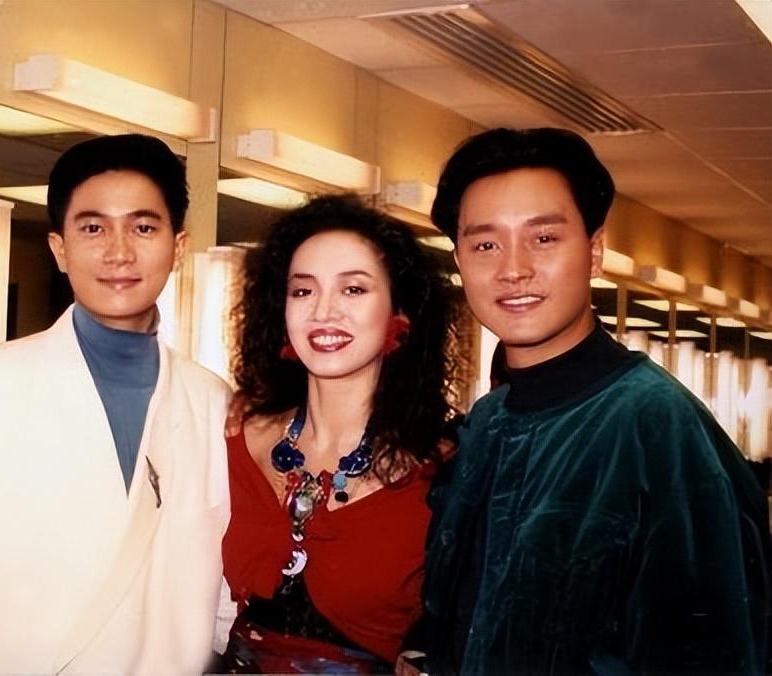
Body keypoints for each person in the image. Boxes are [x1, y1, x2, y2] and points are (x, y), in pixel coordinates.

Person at [422, 127, 771, 674]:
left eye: (544, 238)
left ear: (595, 250)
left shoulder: (657, 428)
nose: (513, 269)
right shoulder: (491, 421)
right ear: (460, 260)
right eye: (486, 244)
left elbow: (720, 652)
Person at [0, 134, 231, 674]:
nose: (119, 252)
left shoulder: (214, 403)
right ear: (59, 249)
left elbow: (222, 593)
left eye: (144, 228)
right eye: (93, 228)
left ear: (179, 247)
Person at [220, 195, 455, 673]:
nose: (324, 311)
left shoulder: (442, 471)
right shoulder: (233, 438)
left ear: (399, 311)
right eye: (302, 291)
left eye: (353, 289)